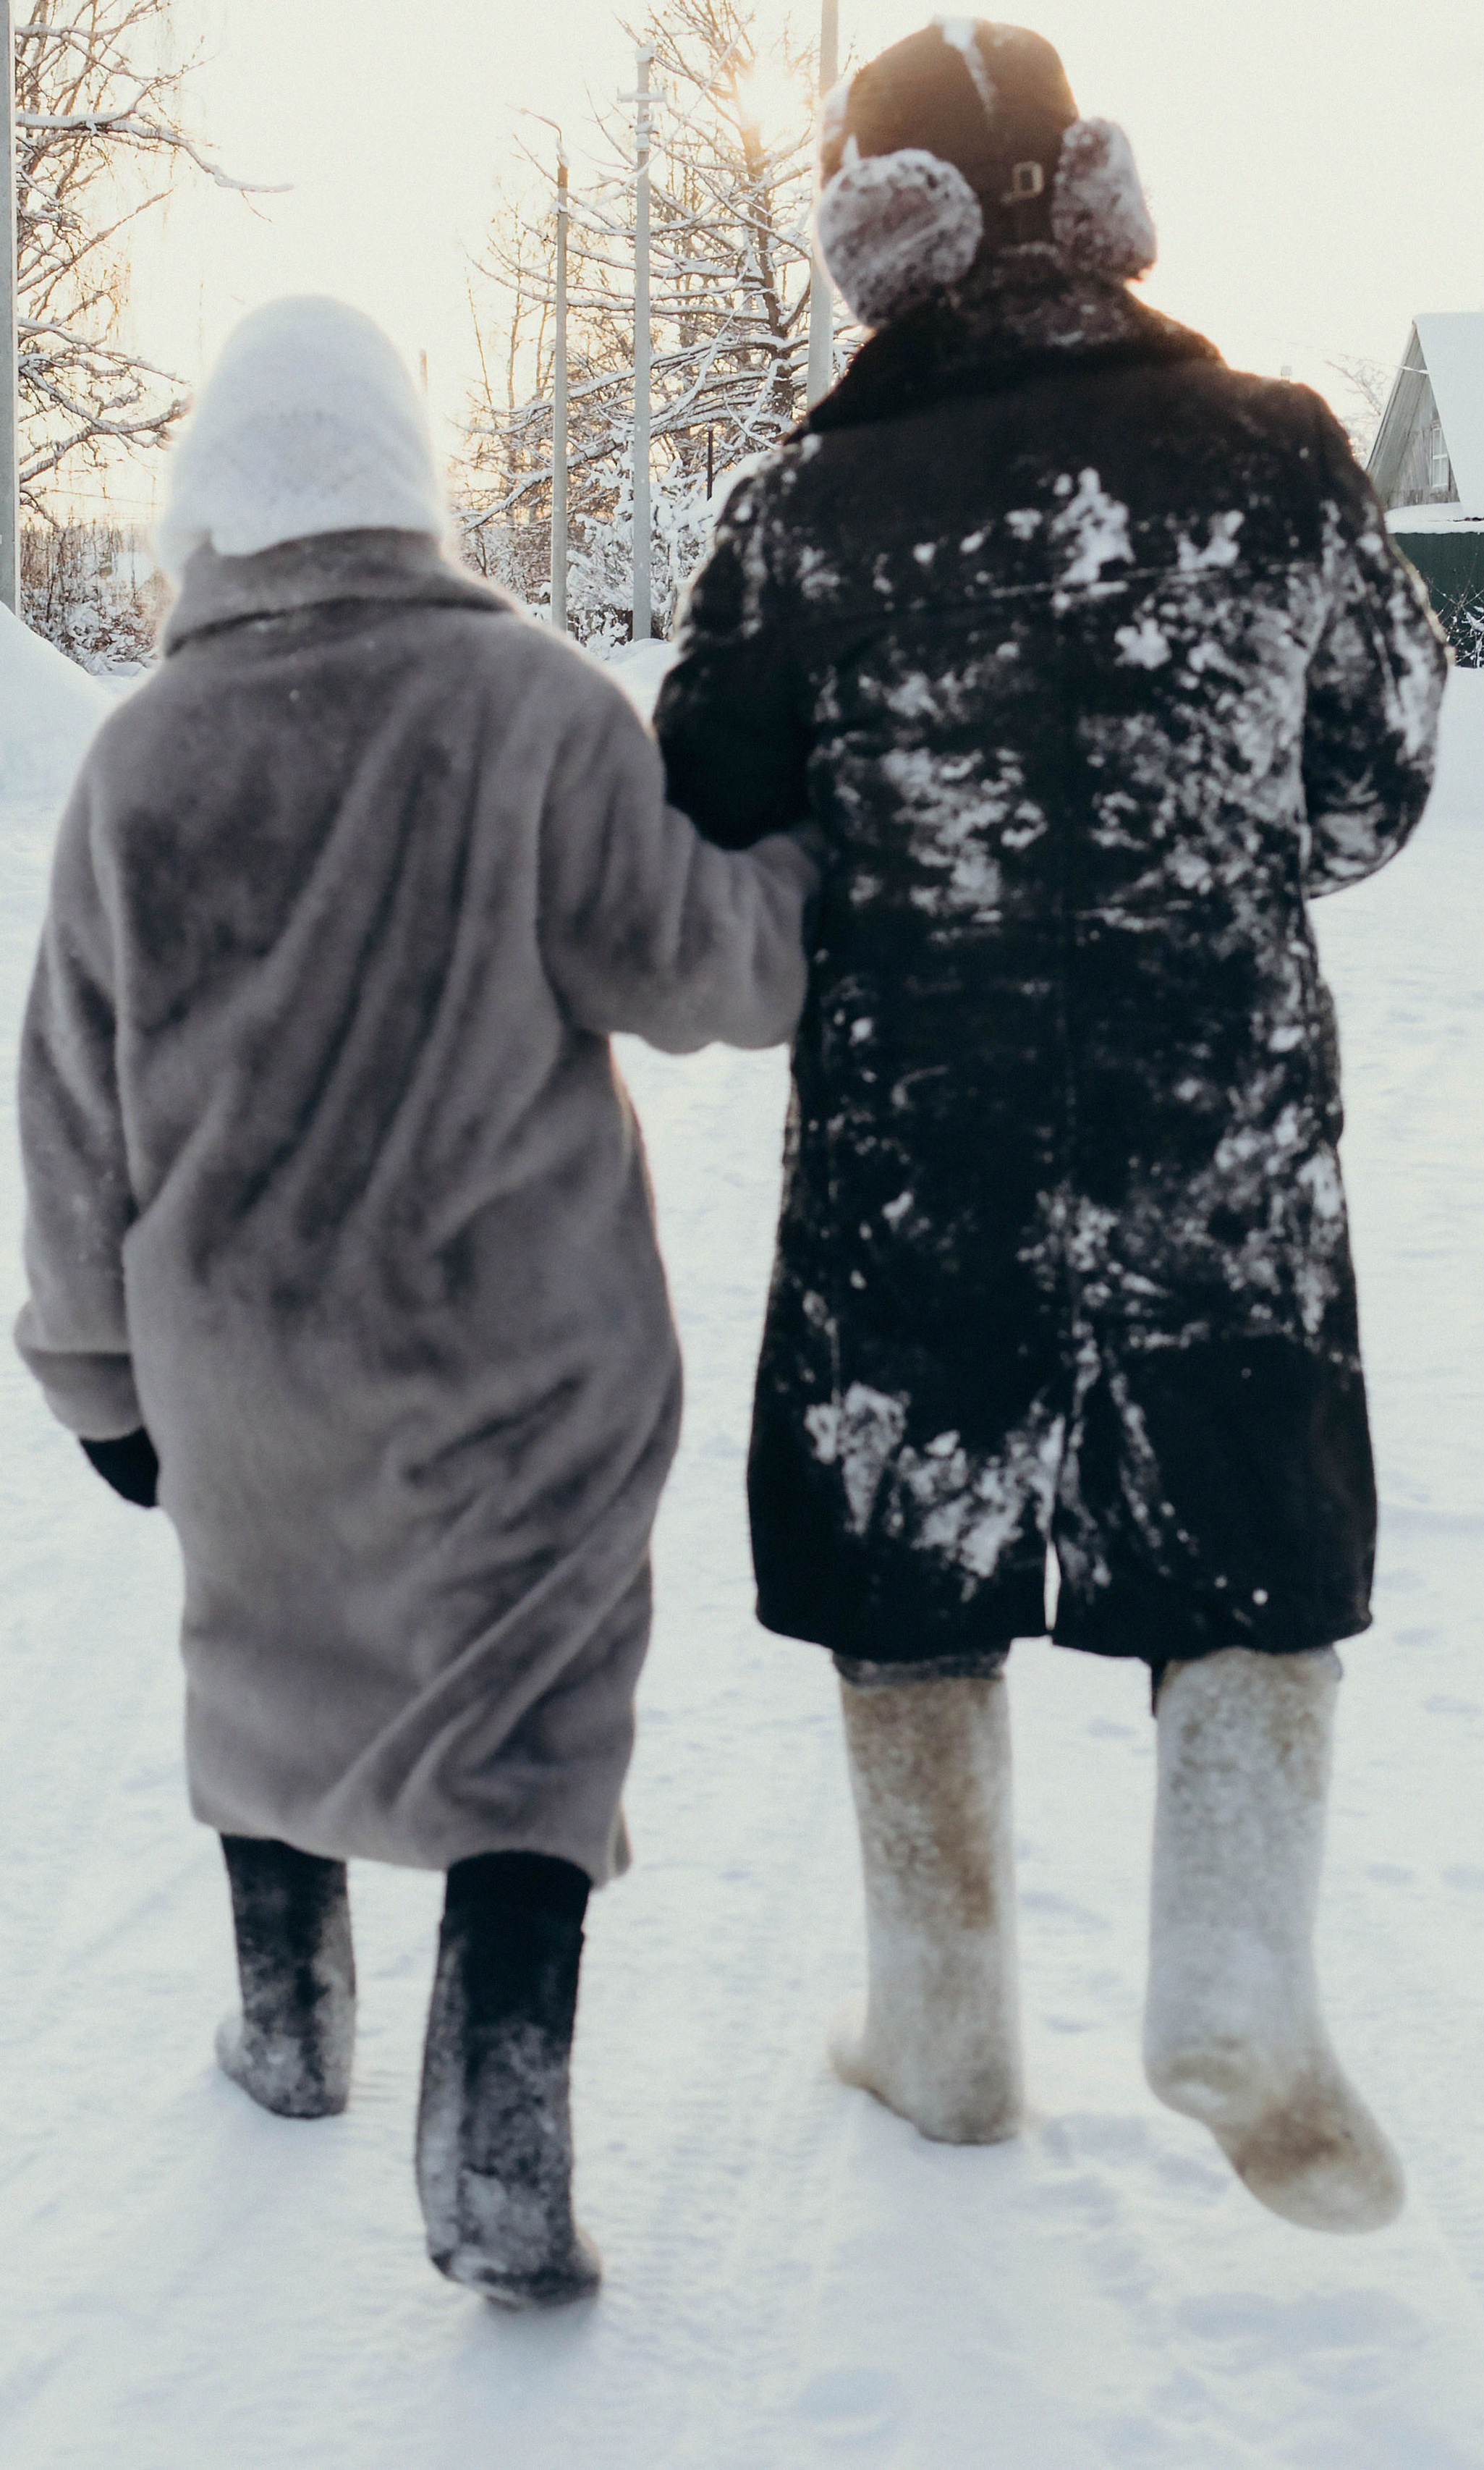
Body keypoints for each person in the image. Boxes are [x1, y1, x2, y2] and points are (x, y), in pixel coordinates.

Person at [654, 20, 1448, 2232]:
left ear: (874, 233)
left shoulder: (806, 509)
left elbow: (704, 797)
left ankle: (945, 2028)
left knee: (909, 1558)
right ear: (1100, 200)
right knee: (1251, 1524)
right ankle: (1234, 1977)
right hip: (1225, 1115)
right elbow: (1372, 787)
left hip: (924, 1123)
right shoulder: (1284, 452)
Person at [14, 297, 818, 2307]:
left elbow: (64, 1109)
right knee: (529, 1721)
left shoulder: (137, 761)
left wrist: (104, 1379)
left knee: (266, 1651)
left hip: (244, 1362)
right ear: (404, 478)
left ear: (215, 502)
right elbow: (711, 970)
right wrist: (810, 857)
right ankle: (500, 2148)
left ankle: (287, 2029)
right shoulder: (531, 707)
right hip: (517, 1356)